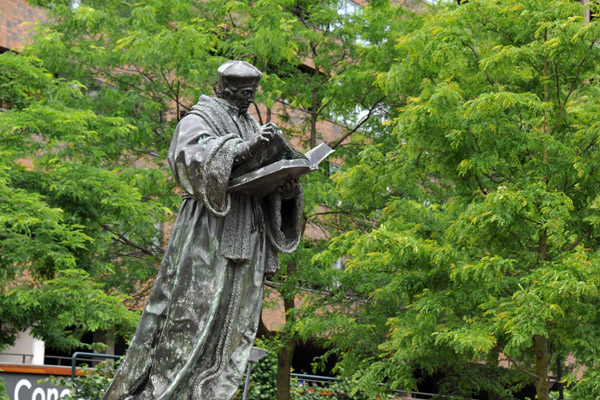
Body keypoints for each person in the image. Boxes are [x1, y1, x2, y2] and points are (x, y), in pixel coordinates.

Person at [102, 60, 303, 400]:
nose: (249, 99)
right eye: (243, 93)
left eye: (252, 93)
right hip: (208, 230)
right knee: (191, 316)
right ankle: (165, 391)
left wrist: (285, 190)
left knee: (236, 321)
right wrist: (247, 148)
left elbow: (260, 175)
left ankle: (212, 391)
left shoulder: (252, 123)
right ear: (224, 89)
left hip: (249, 234)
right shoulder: (198, 119)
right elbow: (191, 158)